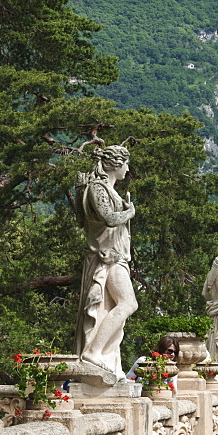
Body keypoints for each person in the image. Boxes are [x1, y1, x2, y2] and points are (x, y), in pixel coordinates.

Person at [74, 145, 137, 378]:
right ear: (116, 164)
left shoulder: (107, 189)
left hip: (114, 255)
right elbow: (109, 219)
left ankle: (103, 355)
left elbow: (82, 219)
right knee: (128, 304)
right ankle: (94, 352)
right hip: (106, 257)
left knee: (115, 306)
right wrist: (130, 212)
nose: (128, 169)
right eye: (126, 164)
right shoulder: (98, 189)